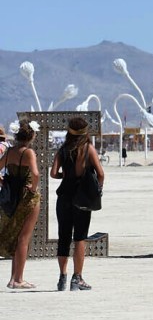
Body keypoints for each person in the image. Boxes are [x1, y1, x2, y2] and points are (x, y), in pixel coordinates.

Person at [51, 116, 105, 291]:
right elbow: (101, 173)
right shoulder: (88, 149)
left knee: (63, 236)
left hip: (64, 197)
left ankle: (62, 278)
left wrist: (64, 176)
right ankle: (78, 278)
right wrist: (97, 191)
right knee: (80, 237)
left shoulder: (63, 149)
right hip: (81, 197)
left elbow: (53, 173)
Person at [1, 122, 41, 289]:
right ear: (31, 136)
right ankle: (18, 279)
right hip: (26, 196)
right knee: (24, 237)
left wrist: (3, 181)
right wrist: (33, 188)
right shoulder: (28, 152)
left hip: (11, 196)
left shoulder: (10, 151)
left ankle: (13, 278)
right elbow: (36, 174)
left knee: (16, 235)